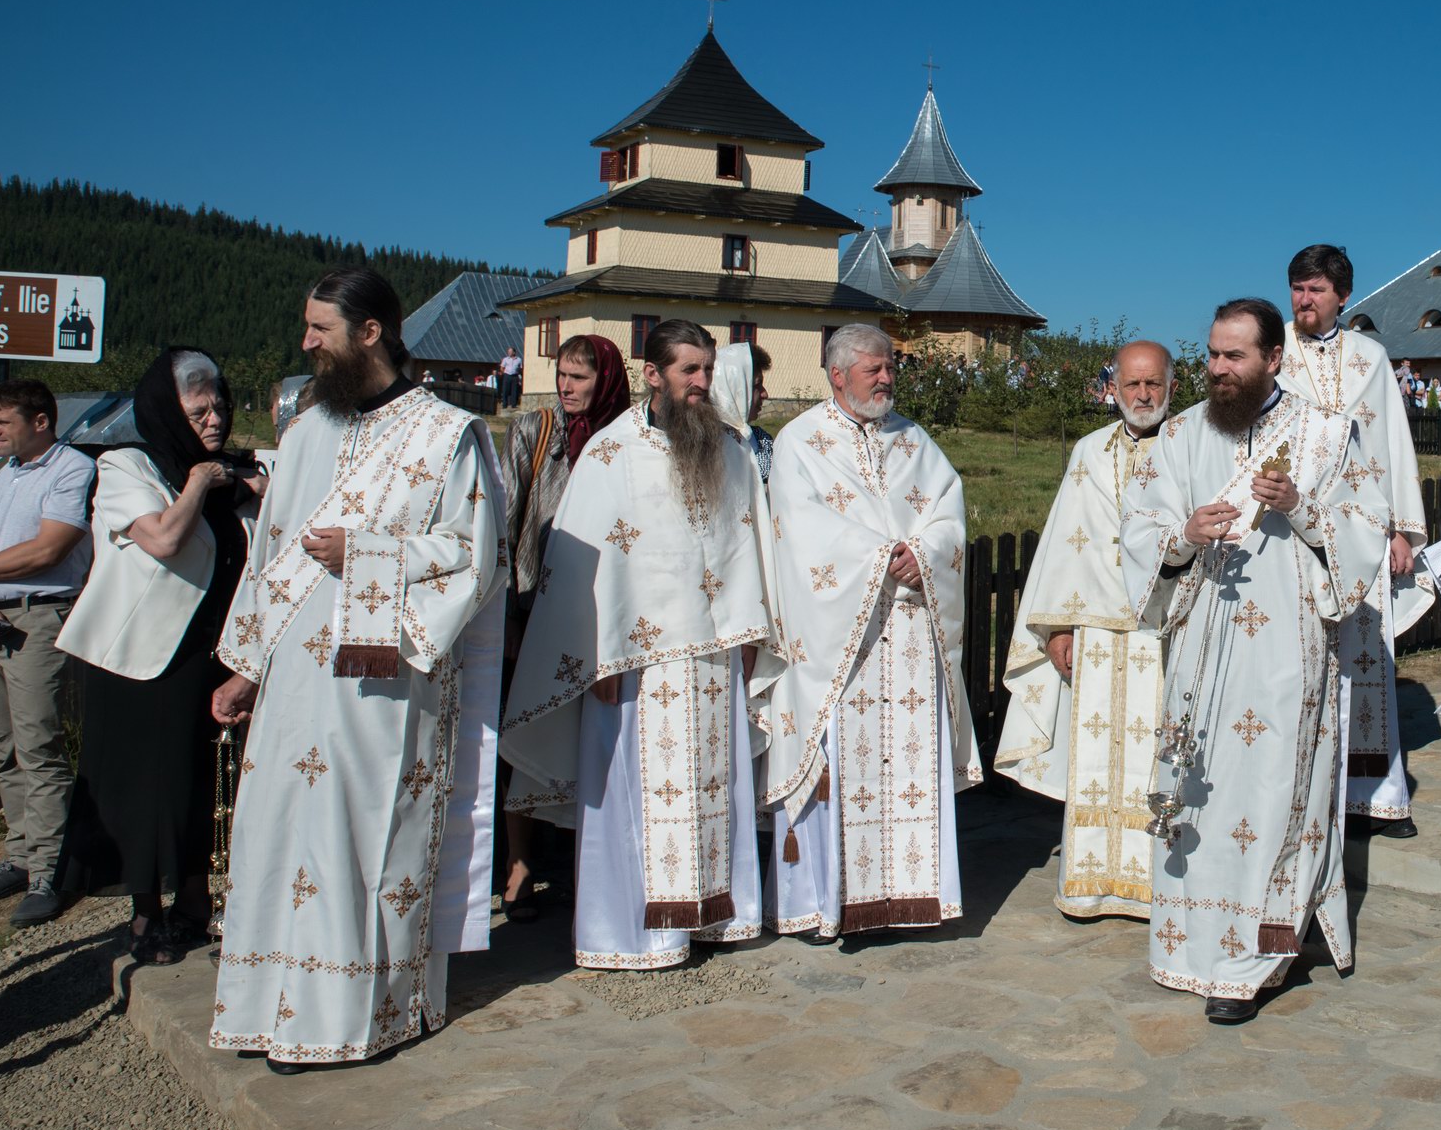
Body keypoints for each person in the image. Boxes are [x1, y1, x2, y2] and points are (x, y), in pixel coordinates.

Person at [208, 269, 505, 1072]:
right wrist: (244, 667)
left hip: (384, 679)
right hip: (296, 682)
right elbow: (267, 559)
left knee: (359, 835)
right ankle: (269, 1003)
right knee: (278, 830)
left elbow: (478, 559)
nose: (306, 343)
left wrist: (371, 555)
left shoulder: (447, 435)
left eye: (319, 330)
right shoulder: (305, 436)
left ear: (370, 332)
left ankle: (355, 1012)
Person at [1123, 299, 1389, 1022]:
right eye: (1211, 355)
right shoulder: (1180, 435)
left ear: (1274, 359)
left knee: (1270, 787)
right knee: (1204, 788)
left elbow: (1366, 532)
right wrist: (1182, 534)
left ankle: (1254, 956)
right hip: (1202, 647)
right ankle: (1188, 941)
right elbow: (1140, 527)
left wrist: (1302, 506)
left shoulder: (1328, 434)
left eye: (1234, 356)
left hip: (1285, 651)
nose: (1218, 370)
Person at [501, 320, 779, 971]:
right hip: (634, 664)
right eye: (690, 371)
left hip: (712, 655)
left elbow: (746, 544)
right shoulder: (609, 453)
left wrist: (748, 633)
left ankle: (713, 919)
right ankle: (637, 934)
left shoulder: (730, 449)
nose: (703, 383)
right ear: (652, 375)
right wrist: (589, 652)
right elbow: (578, 565)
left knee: (714, 791)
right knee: (639, 799)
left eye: (708, 370)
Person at [763, 323, 976, 940]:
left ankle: (911, 894)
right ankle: (824, 903)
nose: (887, 379)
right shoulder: (800, 441)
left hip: (910, 628)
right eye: (873, 370)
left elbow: (948, 511)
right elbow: (800, 529)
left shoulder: (913, 439)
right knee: (837, 767)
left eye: (889, 369)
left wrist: (924, 554)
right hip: (839, 640)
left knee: (909, 767)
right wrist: (884, 555)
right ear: (837, 374)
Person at [52, 351, 261, 963]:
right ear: (168, 412)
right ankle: (147, 915)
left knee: (200, 779)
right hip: (143, 661)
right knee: (146, 788)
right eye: (199, 411)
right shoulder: (126, 467)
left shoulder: (231, 471)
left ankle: (196, 901)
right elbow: (166, 540)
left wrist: (248, 485)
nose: (215, 419)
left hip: (210, 652)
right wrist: (200, 480)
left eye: (219, 405)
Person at [997, 340, 1177, 918]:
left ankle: (1160, 886)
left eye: (1153, 384)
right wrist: (1054, 629)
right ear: (1114, 388)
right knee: (1096, 760)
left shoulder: (1192, 447)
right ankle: (1093, 884)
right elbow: (1060, 547)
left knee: (1163, 758)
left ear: (1171, 386)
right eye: (1132, 385)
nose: (1143, 395)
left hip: (1168, 631)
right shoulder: (1088, 452)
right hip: (1096, 637)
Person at [1280, 244, 1431, 837]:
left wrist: (1400, 529)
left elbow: (1392, 443)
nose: (1303, 299)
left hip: (1362, 530)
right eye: (1297, 287)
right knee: (1298, 659)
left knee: (1364, 658)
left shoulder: (1371, 356)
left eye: (1315, 289)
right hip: (1290, 527)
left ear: (1342, 296)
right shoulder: (1275, 350)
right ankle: (1304, 795)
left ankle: (1373, 796)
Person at [0, 378, 94, 927]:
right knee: (2, 742)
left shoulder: (71, 469)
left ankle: (48, 871)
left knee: (39, 743)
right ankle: (19, 850)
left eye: (1, 422)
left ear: (40, 422)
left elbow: (50, 547)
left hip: (36, 616)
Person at [495, 332, 630, 923]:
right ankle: (520, 863)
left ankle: (584, 857)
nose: (567, 387)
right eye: (562, 375)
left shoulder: (625, 437)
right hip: (534, 601)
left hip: (603, 606)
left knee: (593, 736)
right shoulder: (536, 429)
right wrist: (509, 613)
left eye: (581, 377)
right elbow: (507, 517)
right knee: (529, 720)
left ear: (605, 380)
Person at [711, 341, 776, 482]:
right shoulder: (704, 444)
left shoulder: (762, 440)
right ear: (732, 388)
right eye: (756, 386)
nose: (765, 394)